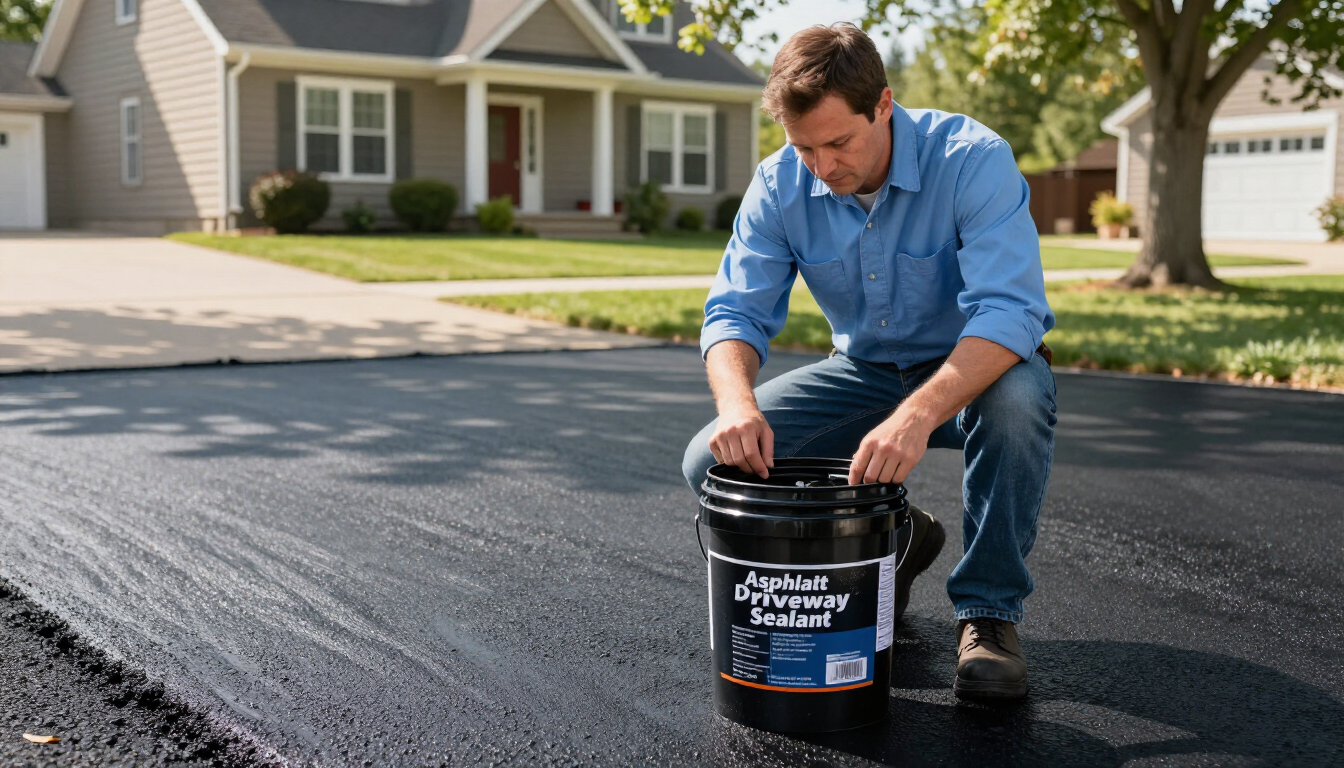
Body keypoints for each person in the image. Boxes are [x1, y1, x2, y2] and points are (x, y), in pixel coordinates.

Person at [681, 23, 1056, 700]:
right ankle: (902, 537)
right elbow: (733, 312)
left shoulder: (972, 159)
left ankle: (989, 616)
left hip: (974, 373)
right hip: (862, 375)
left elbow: (1012, 313)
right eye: (804, 148)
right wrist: (738, 406)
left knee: (1020, 398)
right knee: (710, 461)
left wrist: (916, 414)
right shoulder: (779, 184)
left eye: (838, 143)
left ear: (883, 105)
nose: (822, 167)